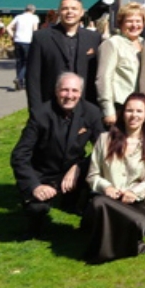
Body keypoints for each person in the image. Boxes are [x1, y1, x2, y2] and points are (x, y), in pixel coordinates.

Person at [10, 72, 105, 237]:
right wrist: (35, 186)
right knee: (37, 209)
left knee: (96, 201)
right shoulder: (40, 114)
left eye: (74, 91)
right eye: (65, 90)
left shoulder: (92, 112)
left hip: (75, 173)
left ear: (81, 93)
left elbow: (103, 150)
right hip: (43, 173)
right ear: (56, 91)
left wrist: (79, 167)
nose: (69, 95)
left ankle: (76, 206)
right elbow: (19, 155)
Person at [83, 92, 145, 263]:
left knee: (135, 218)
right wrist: (106, 187)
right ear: (122, 113)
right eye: (129, 110)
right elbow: (92, 175)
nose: (134, 116)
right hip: (108, 200)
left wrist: (133, 193)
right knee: (99, 203)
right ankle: (121, 246)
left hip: (136, 203)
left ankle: (129, 238)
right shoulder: (104, 140)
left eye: (139, 111)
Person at [26, 0, 101, 110]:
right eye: (65, 8)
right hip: (51, 105)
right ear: (59, 12)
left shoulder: (94, 38)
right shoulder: (41, 37)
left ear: (82, 12)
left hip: (85, 106)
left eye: (74, 9)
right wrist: (36, 110)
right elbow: (32, 78)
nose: (69, 12)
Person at [95, 2, 145, 128]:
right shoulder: (112, 44)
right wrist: (108, 110)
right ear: (121, 23)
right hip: (120, 106)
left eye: (138, 21)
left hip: (139, 107)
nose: (134, 25)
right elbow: (103, 78)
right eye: (129, 21)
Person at [8, 4, 40, 91]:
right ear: (33, 10)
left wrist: (13, 36)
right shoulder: (34, 17)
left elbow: (8, 27)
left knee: (19, 62)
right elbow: (35, 30)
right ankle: (19, 78)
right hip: (28, 41)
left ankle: (20, 83)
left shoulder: (18, 17)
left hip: (18, 41)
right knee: (28, 62)